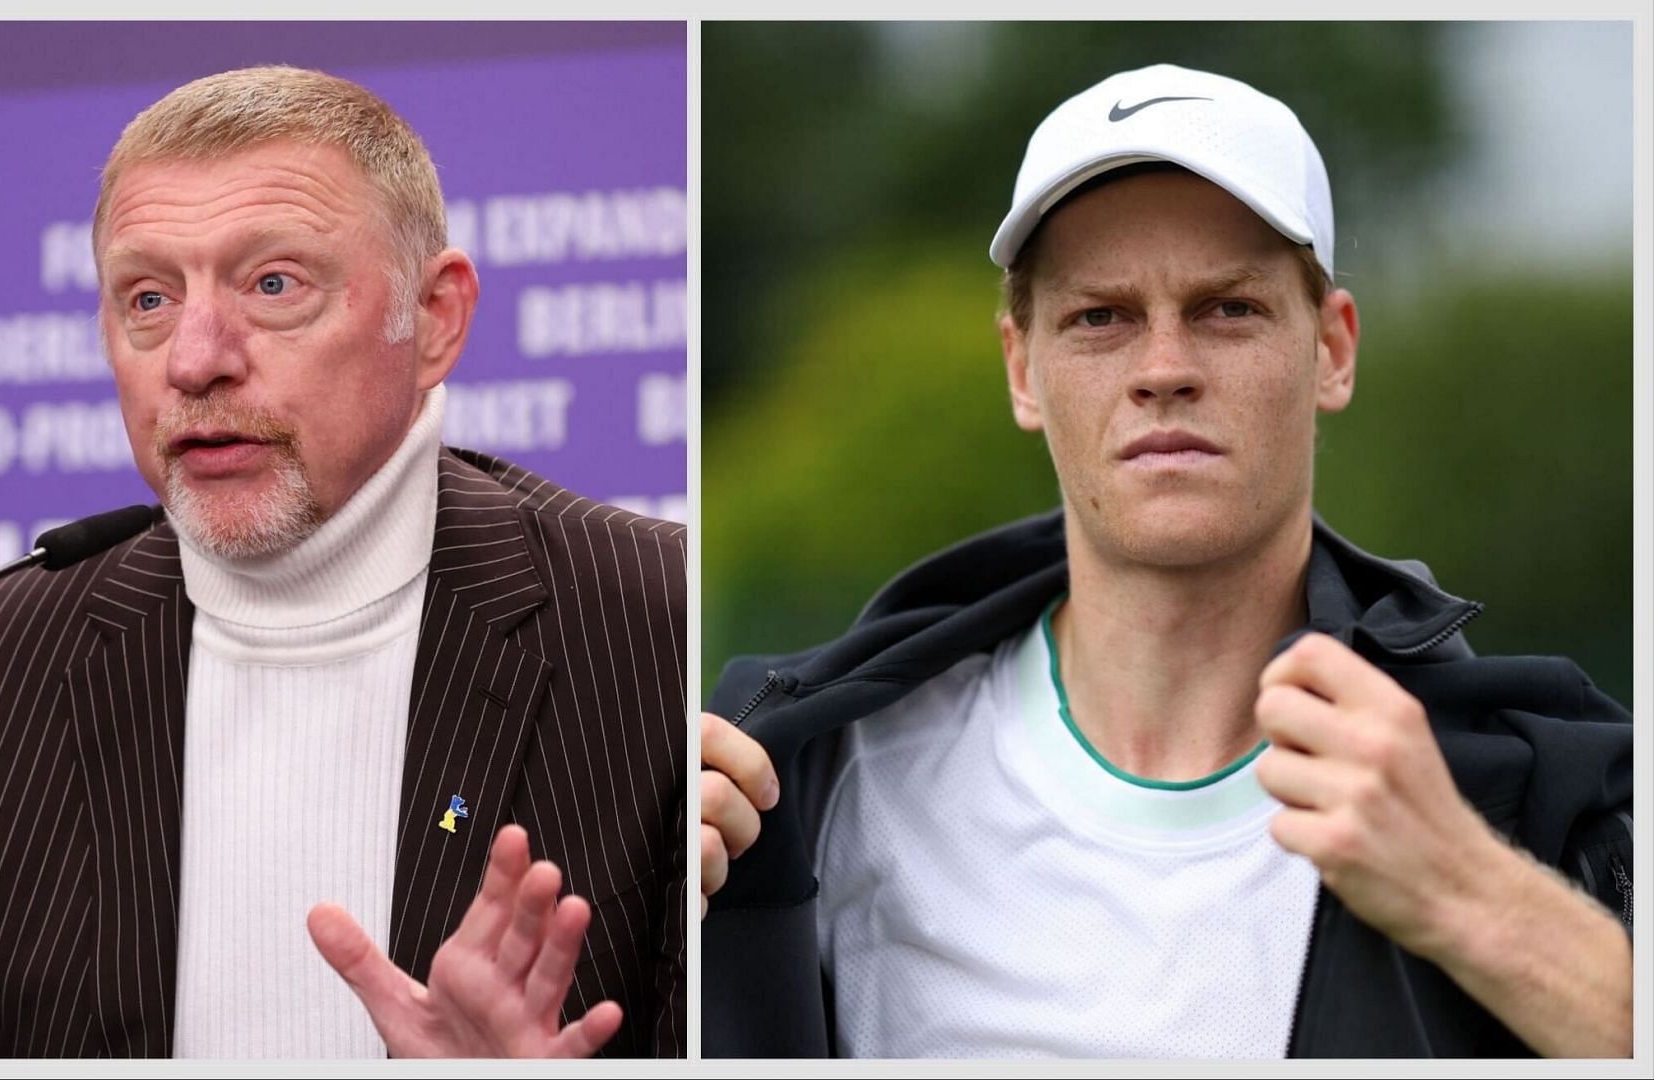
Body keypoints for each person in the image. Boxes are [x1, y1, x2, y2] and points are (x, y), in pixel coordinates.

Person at [699, 63, 1632, 1058]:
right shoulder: (811, 779)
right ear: (1023, 369)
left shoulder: (1525, 791)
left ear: (1333, 350)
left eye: (1228, 309)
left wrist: (1465, 892)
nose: (1164, 370)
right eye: (1100, 318)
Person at [0, 66, 685, 1059]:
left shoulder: (652, 619)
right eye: (148, 297)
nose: (196, 359)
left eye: (273, 284)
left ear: (436, 318)